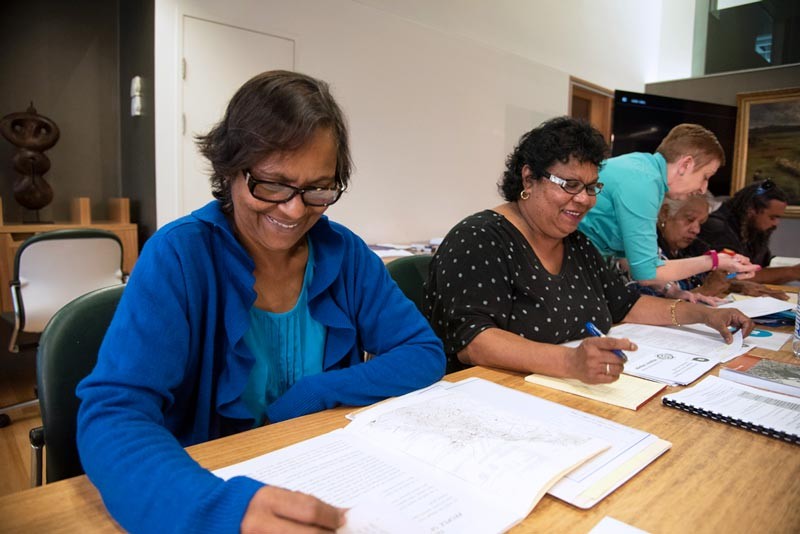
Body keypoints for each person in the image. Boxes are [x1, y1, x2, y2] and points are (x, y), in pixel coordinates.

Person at [76, 71, 446, 533]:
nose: (294, 210)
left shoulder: (346, 253)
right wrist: (214, 510)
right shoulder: (179, 256)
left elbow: (422, 352)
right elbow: (113, 414)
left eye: (318, 188)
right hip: (209, 483)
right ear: (231, 168)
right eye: (271, 184)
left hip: (329, 476)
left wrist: (317, 391)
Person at [423, 117, 753, 380]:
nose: (584, 199)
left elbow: (627, 305)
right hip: (491, 396)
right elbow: (475, 343)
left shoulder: (576, 243)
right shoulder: (479, 238)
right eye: (570, 185)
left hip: (565, 394)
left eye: (592, 187)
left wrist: (706, 315)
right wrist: (570, 362)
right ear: (528, 179)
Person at [577, 123, 759, 284]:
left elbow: (633, 260)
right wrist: (714, 261)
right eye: (705, 177)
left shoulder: (643, 169)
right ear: (685, 165)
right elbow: (647, 274)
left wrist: (671, 291)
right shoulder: (644, 183)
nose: (704, 189)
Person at [649, 194, 789, 301]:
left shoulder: (694, 246)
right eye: (690, 220)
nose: (696, 230)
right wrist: (705, 290)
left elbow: (713, 276)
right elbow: (648, 307)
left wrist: (737, 285)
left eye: (701, 222)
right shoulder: (646, 250)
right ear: (664, 214)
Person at [686, 178, 800, 285]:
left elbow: (761, 264)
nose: (776, 223)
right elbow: (731, 276)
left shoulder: (754, 230)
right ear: (751, 209)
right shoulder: (718, 228)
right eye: (772, 217)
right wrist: (792, 272)